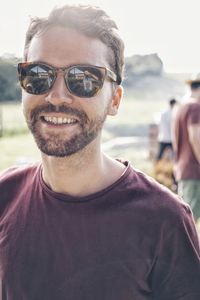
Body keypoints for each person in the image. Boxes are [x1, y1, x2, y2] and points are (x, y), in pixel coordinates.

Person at [0, 4, 200, 300]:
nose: (56, 95)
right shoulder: (6, 194)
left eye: (84, 78)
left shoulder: (164, 220)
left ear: (115, 100)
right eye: (39, 74)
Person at [172, 73, 200, 221]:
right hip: (194, 170)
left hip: (183, 169)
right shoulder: (195, 107)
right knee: (190, 221)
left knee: (186, 219)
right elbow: (195, 137)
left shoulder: (180, 107)